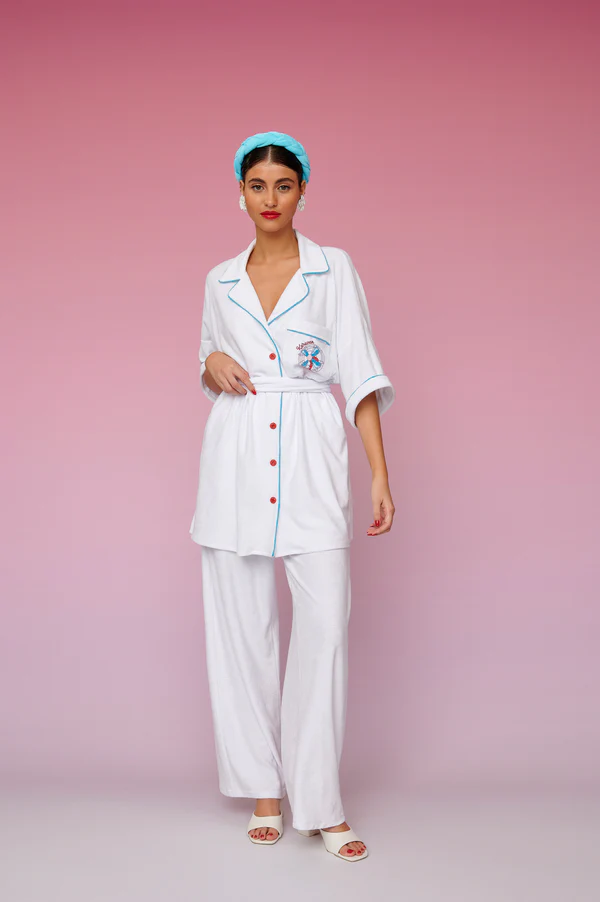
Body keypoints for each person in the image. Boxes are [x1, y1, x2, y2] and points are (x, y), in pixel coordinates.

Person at [189, 131, 395, 861]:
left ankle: (321, 801)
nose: (270, 198)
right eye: (257, 186)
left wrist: (378, 472)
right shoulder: (219, 279)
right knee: (241, 634)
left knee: (324, 631)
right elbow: (208, 360)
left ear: (303, 191)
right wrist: (211, 361)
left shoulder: (334, 269)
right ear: (240, 194)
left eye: (283, 185)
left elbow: (360, 371)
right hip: (236, 459)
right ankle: (264, 791)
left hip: (311, 452)